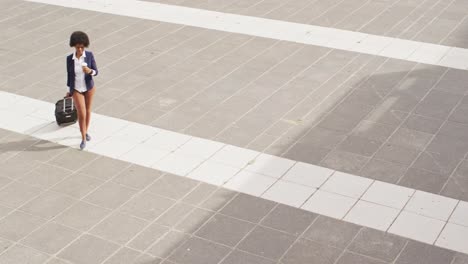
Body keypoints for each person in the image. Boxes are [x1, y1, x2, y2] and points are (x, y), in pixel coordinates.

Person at [66, 31, 98, 150]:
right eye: (78, 47)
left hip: (89, 87)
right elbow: (69, 75)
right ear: (74, 46)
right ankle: (83, 137)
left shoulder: (89, 56)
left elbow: (96, 72)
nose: (80, 49)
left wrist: (90, 71)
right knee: (82, 114)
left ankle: (86, 131)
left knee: (88, 111)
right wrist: (69, 90)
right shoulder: (69, 59)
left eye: (82, 47)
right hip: (76, 89)